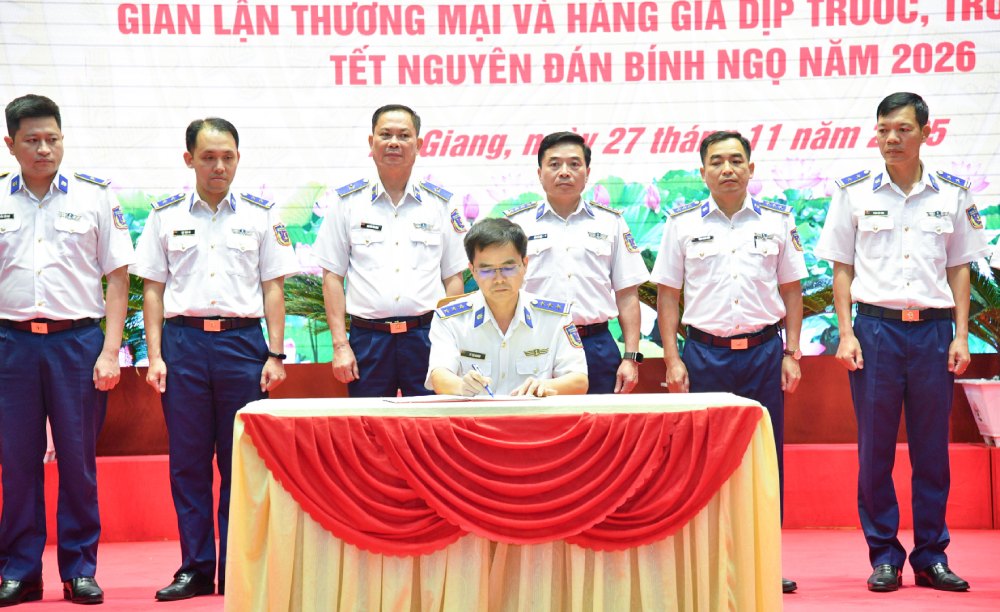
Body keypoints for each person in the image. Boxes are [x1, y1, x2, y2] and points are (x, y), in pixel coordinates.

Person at [815, 92, 987, 593]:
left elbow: (959, 269)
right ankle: (884, 555)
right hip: (875, 332)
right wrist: (845, 332)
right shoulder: (853, 193)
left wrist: (960, 334)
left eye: (903, 129)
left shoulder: (952, 194)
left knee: (932, 451)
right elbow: (841, 268)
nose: (891, 138)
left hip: (934, 332)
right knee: (876, 451)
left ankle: (931, 556)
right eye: (884, 129)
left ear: (926, 132)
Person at [132, 118, 299, 601]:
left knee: (238, 463)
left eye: (227, 156)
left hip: (241, 345)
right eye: (208, 157)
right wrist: (156, 355)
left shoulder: (260, 216)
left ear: (238, 158)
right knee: (187, 463)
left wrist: (275, 352)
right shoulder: (165, 217)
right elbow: (154, 291)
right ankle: (196, 566)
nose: (219, 166)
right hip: (183, 347)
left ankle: (237, 569)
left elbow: (274, 288)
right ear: (190, 160)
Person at [651, 130, 805, 594]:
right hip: (703, 356)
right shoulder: (680, 225)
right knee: (702, 460)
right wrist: (673, 359)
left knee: (764, 460)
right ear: (702, 173)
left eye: (737, 160)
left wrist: (792, 352)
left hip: (762, 354)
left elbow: (792, 290)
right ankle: (708, 562)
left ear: (751, 169)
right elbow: (667, 295)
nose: (727, 169)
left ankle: (764, 562)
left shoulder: (777, 221)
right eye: (716, 161)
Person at [0, 94, 134, 606]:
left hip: (78, 343)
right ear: (11, 144)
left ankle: (79, 568)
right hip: (11, 344)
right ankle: (19, 570)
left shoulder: (94, 197)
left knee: (78, 463)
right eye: (32, 140)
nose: (44, 150)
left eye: (52, 139)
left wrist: (110, 350)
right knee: (16, 462)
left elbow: (118, 279)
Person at [312, 104, 467, 397]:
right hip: (368, 340)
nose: (394, 142)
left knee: (429, 432)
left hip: (426, 337)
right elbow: (332, 276)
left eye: (404, 135)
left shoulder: (441, 204)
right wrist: (340, 345)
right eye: (385, 134)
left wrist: (452, 341)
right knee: (368, 432)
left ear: (418, 145)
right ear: (372, 143)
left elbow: (453, 278)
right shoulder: (347, 203)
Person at [505, 132, 648, 394]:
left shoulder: (611, 223)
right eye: (554, 164)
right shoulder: (516, 225)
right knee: (537, 427)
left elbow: (627, 294)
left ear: (587, 172)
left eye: (574, 164)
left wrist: (631, 357)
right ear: (539, 173)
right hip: (535, 342)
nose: (564, 172)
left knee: (600, 428)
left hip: (596, 345)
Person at [426, 217, 588, 397]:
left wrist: (545, 386)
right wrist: (462, 387)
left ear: (525, 265)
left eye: (508, 268)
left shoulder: (555, 317)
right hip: (474, 422)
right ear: (472, 270)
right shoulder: (450, 319)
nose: (499, 279)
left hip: (533, 421)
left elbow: (579, 380)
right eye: (487, 270)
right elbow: (439, 376)